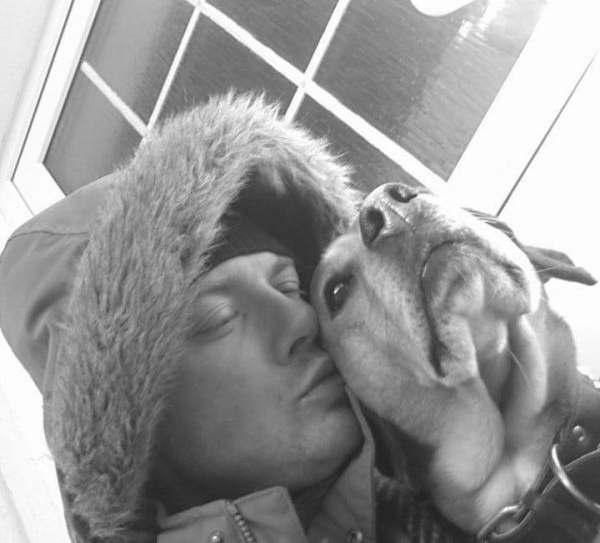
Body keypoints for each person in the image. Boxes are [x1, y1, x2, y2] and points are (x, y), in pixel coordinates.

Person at [0, 93, 456, 543]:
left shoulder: (466, 493)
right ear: (129, 429)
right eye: (218, 318)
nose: (301, 319)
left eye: (291, 287)